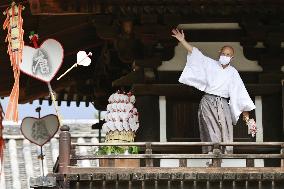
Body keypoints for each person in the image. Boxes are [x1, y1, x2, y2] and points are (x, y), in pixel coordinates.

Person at [171, 28, 256, 154]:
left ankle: (219, 159)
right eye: (224, 53)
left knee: (223, 133)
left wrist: (247, 118)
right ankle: (211, 156)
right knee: (210, 130)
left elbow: (240, 94)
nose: (225, 56)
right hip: (208, 101)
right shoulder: (210, 64)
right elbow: (195, 53)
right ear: (219, 53)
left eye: (228, 55)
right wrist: (183, 40)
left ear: (232, 58)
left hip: (222, 104)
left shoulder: (233, 73)